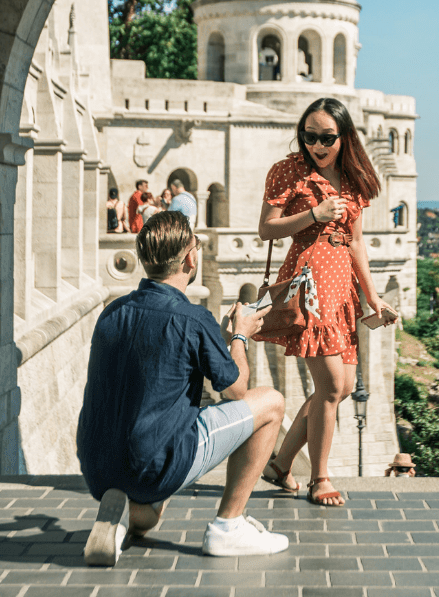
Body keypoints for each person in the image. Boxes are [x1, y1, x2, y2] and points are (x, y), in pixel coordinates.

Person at [76, 211, 288, 565]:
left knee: (153, 508)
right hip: (154, 463)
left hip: (97, 466)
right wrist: (240, 335)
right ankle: (229, 527)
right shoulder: (191, 317)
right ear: (191, 258)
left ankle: (122, 519)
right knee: (271, 403)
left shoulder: (112, 312)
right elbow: (237, 390)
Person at [256, 97, 397, 506]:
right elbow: (266, 229)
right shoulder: (288, 171)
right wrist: (314, 215)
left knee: (341, 386)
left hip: (341, 291)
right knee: (332, 386)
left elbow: (355, 243)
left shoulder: (353, 179)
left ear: (344, 137)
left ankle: (280, 466)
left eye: (326, 138)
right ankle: (320, 478)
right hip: (308, 285)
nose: (317, 145)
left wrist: (374, 301)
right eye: (309, 136)